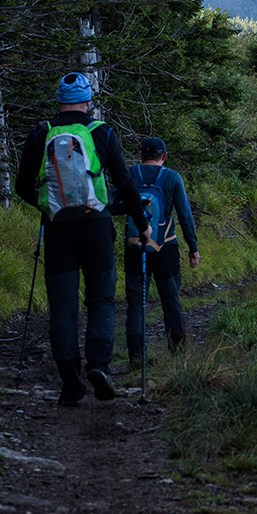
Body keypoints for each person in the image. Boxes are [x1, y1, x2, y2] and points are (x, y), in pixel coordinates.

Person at [14, 71, 153, 406]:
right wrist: (142, 223)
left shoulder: (41, 132)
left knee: (63, 306)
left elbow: (21, 186)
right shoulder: (100, 132)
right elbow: (124, 182)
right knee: (101, 299)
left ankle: (71, 386)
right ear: (88, 102)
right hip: (97, 227)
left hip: (58, 228)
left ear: (59, 102)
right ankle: (98, 366)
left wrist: (47, 207)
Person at [125, 137, 200, 363]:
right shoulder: (172, 178)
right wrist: (193, 247)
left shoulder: (130, 174)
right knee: (170, 299)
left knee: (136, 302)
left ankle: (136, 356)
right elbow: (185, 214)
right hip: (166, 247)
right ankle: (177, 351)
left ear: (141, 156)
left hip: (135, 246)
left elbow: (115, 203)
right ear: (164, 156)